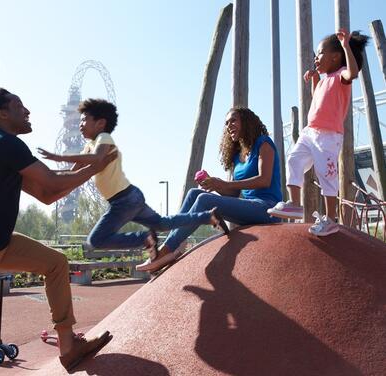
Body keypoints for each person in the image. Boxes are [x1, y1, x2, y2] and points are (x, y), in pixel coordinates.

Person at [0, 88, 117, 375]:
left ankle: (69, 347)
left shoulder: (7, 148)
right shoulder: (3, 143)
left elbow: (47, 194)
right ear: (2, 114)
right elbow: (53, 182)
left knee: (56, 263)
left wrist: (89, 170)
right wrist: (95, 167)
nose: (27, 111)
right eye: (19, 106)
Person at [38, 98, 225, 260]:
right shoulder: (89, 146)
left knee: (96, 240)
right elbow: (72, 173)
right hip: (130, 197)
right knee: (162, 223)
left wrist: (59, 157)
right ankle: (208, 216)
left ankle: (144, 239)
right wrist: (47, 175)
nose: (80, 124)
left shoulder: (104, 138)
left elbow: (97, 159)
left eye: (85, 119)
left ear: (101, 123)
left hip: (123, 201)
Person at [137, 107, 283, 273]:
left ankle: (166, 251)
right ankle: (172, 244)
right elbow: (234, 194)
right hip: (248, 207)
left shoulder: (263, 143)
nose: (229, 126)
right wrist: (215, 185)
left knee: (204, 200)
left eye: (233, 120)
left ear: (246, 122)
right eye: (226, 123)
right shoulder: (237, 155)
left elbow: (264, 180)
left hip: (268, 208)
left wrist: (225, 184)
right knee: (194, 194)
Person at [267, 29, 369, 236]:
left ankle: (330, 218)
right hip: (310, 132)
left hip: (329, 136)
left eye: (320, 53)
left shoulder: (342, 76)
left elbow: (354, 73)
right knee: (293, 160)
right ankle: (295, 203)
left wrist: (346, 46)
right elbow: (318, 97)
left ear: (335, 56)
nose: (316, 58)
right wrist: (314, 80)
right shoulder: (324, 80)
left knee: (327, 174)